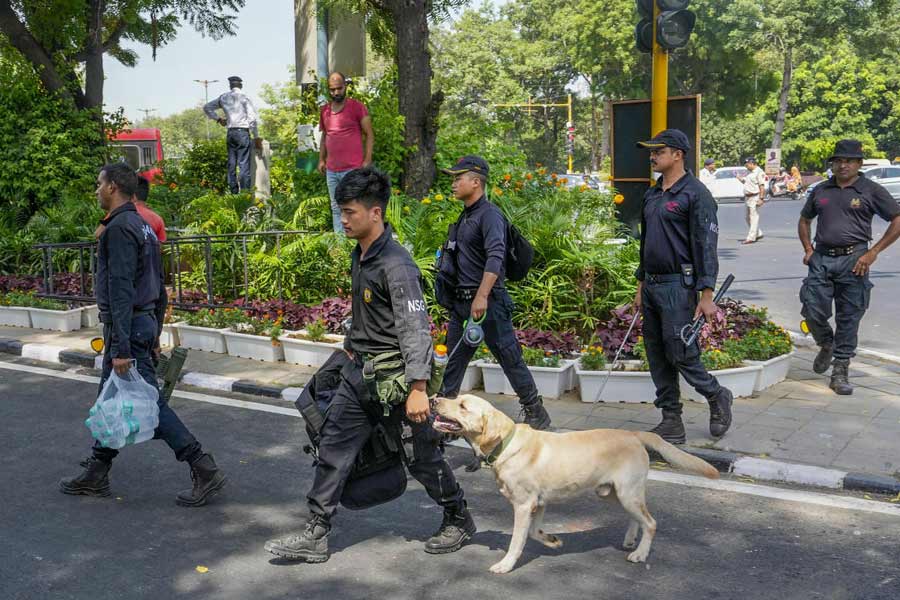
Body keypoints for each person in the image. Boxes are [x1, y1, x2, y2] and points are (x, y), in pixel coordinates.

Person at [264, 167, 474, 563]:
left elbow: (416, 329)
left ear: (375, 212)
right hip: (358, 375)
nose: (343, 220)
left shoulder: (397, 265)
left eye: (350, 212)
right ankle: (317, 531)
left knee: (423, 459)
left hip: (397, 383)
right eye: (340, 212)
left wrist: (417, 389)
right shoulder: (360, 254)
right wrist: (345, 351)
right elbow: (365, 317)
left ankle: (458, 517)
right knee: (332, 446)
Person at [60, 163, 226, 506]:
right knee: (112, 397)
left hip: (128, 327)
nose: (95, 191)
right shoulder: (143, 226)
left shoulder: (121, 228)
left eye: (98, 183)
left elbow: (121, 289)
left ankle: (202, 465)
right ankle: (97, 469)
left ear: (111, 188)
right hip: (141, 323)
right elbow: (159, 286)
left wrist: (122, 346)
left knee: (148, 402)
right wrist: (152, 335)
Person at [436, 155, 552, 431]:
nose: (453, 183)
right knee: (453, 361)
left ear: (476, 182)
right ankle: (444, 419)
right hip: (462, 304)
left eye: (457, 178)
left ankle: (535, 410)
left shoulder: (490, 215)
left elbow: (496, 257)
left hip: (488, 302)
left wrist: (482, 296)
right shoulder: (465, 216)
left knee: (509, 357)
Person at [634, 129, 734, 445]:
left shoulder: (696, 194)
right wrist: (639, 285)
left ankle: (716, 395)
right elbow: (646, 245)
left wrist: (706, 294)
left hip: (680, 285)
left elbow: (706, 246)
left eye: (658, 151)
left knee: (681, 353)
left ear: (678, 154)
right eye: (651, 152)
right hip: (651, 285)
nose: (652, 156)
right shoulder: (652, 194)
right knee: (657, 355)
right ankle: (671, 422)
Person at [798, 139, 900, 395]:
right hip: (821, 258)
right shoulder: (821, 189)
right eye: (838, 161)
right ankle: (826, 344)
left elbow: (897, 220)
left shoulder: (871, 190)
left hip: (855, 260)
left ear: (858, 164)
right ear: (832, 163)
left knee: (849, 315)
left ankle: (840, 369)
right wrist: (808, 249)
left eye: (849, 161)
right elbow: (804, 219)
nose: (843, 165)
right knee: (812, 307)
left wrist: (873, 252)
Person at [319, 72, 374, 234]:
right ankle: (341, 247)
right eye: (332, 89)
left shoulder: (357, 107)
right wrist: (321, 159)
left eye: (339, 88)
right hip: (331, 170)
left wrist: (367, 160)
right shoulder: (325, 111)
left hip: (352, 169)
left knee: (354, 207)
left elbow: (369, 134)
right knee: (336, 208)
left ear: (345, 86)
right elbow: (325, 135)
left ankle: (357, 242)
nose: (336, 92)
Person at [204, 75, 261, 194]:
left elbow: (207, 107)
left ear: (230, 85)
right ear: (241, 85)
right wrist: (256, 137)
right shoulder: (244, 98)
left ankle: (233, 193)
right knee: (243, 164)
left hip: (230, 133)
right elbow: (252, 119)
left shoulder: (223, 97)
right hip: (242, 133)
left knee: (231, 164)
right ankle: (244, 194)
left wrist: (219, 119)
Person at [94, 177, 166, 242]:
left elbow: (98, 234)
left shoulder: (120, 212)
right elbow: (160, 246)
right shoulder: (157, 219)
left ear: (132, 194)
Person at [737, 156, 766, 244]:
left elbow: (762, 186)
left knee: (753, 217)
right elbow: (746, 182)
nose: (746, 166)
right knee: (747, 217)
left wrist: (761, 199)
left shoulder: (759, 172)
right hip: (747, 197)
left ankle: (751, 237)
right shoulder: (749, 172)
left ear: (752, 164)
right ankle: (758, 233)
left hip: (755, 197)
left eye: (747, 164)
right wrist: (740, 179)